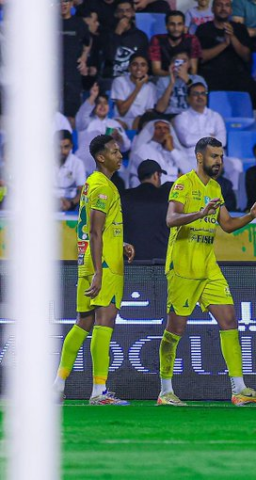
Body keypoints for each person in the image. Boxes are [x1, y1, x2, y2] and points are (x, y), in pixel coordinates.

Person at [158, 136, 256, 406]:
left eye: (220, 156)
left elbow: (227, 225)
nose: (219, 161)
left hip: (208, 266)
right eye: (214, 156)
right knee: (175, 329)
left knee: (229, 319)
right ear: (200, 157)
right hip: (183, 266)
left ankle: (239, 389)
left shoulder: (216, 188)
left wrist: (252, 216)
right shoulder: (183, 184)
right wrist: (199, 213)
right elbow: (171, 219)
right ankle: (165, 391)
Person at [54, 134, 135, 405]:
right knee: (104, 323)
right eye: (114, 151)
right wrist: (100, 271)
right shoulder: (102, 186)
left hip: (88, 260)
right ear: (101, 157)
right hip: (104, 265)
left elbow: (97, 229)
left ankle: (57, 385)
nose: (119, 155)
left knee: (83, 322)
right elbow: (96, 231)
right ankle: (99, 392)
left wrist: (119, 242)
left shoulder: (93, 184)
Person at [196, 0, 256, 101]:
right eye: (219, 5)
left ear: (231, 10)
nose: (223, 8)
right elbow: (202, 57)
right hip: (212, 75)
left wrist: (232, 37)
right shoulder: (203, 29)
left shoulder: (240, 28)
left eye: (227, 5)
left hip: (237, 75)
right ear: (212, 9)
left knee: (250, 86)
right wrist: (224, 44)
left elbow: (246, 56)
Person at [76, 83, 132, 174]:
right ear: (93, 106)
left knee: (123, 173)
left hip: (110, 167)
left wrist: (119, 138)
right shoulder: (85, 122)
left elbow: (126, 147)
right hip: (87, 166)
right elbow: (82, 114)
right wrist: (93, 96)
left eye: (105, 103)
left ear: (109, 107)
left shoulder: (115, 124)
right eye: (99, 103)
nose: (102, 106)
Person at [121, 160, 171, 261]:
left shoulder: (124, 196)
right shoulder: (167, 194)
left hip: (132, 261)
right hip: (162, 261)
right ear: (156, 175)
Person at [129, 119, 191, 187]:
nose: (163, 131)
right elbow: (152, 175)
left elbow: (189, 170)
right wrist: (177, 174)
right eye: (158, 128)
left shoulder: (174, 150)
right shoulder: (143, 149)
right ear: (151, 131)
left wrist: (172, 150)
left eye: (166, 128)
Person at [102, 0, 149, 88]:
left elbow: (145, 61)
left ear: (133, 13)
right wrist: (117, 33)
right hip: (111, 79)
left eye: (128, 11)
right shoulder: (106, 34)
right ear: (115, 14)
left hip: (133, 79)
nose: (124, 14)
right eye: (121, 11)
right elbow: (108, 57)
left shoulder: (140, 36)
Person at [61, 0, 92, 121]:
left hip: (72, 72)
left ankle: (70, 138)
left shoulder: (79, 23)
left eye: (66, 2)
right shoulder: (49, 23)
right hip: (52, 72)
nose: (63, 5)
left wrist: (84, 57)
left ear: (71, 4)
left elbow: (88, 42)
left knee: (71, 113)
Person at [110, 53, 157, 129]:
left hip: (140, 121)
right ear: (129, 68)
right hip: (121, 120)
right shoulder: (119, 81)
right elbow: (122, 111)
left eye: (143, 65)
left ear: (147, 69)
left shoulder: (151, 87)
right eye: (135, 64)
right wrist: (138, 88)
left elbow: (149, 112)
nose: (139, 68)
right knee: (112, 128)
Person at [173, 83, 226, 149]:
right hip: (193, 156)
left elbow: (222, 141)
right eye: (196, 94)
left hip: (216, 156)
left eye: (203, 93)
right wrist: (210, 136)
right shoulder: (181, 118)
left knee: (235, 160)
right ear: (188, 98)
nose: (200, 97)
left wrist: (196, 138)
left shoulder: (216, 116)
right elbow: (187, 140)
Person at [149, 10, 202, 77]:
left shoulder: (192, 39)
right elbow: (156, 70)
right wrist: (174, 76)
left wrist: (184, 78)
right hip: (163, 79)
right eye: (172, 24)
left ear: (184, 26)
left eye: (179, 24)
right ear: (166, 26)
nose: (176, 28)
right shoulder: (157, 39)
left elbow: (193, 70)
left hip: (186, 79)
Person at [155, 51, 208, 116]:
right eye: (177, 61)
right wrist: (171, 83)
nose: (181, 64)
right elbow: (160, 109)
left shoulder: (198, 79)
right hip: (170, 116)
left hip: (192, 114)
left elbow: (201, 104)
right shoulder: (163, 81)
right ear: (172, 64)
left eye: (184, 61)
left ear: (189, 64)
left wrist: (187, 80)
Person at [57, 130, 87, 212]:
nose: (62, 151)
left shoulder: (78, 163)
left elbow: (82, 190)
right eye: (59, 147)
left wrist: (71, 203)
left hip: (71, 203)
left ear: (71, 146)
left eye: (66, 147)